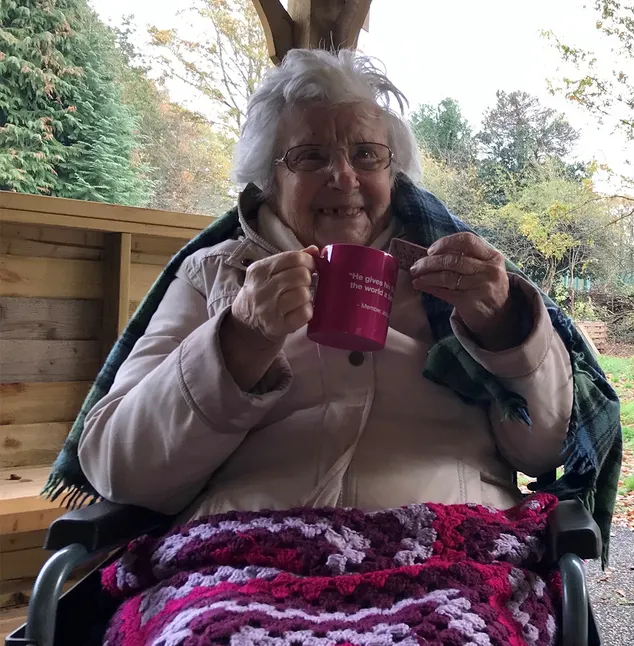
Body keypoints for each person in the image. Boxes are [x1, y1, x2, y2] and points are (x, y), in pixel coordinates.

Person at [76, 48, 575, 521]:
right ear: (268, 178)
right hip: (245, 553)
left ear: (393, 171)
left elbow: (542, 450)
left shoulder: (456, 272)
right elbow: (120, 472)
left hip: (450, 538)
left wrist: (503, 324)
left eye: (366, 154)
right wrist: (239, 339)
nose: (343, 176)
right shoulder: (214, 273)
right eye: (311, 157)